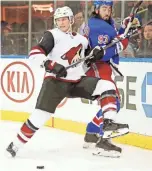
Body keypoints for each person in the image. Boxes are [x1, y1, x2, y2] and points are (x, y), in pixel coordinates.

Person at [6, 6, 122, 158]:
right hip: (55, 82)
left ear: (71, 20)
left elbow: (85, 62)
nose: (61, 23)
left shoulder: (82, 40)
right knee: (39, 117)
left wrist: (96, 54)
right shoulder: (52, 35)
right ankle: (15, 144)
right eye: (58, 20)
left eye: (64, 19)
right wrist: (51, 65)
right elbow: (34, 54)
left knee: (106, 86)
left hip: (76, 81)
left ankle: (108, 123)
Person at [83, 0, 131, 148]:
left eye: (109, 8)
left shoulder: (105, 24)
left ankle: (92, 133)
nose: (107, 11)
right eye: (104, 8)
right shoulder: (98, 26)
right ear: (96, 9)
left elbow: (114, 39)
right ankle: (102, 140)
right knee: (113, 102)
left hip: (100, 67)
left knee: (112, 103)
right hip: (97, 67)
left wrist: (124, 28)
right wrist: (124, 39)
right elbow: (105, 53)